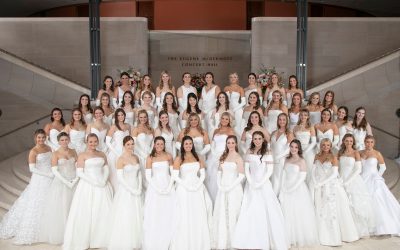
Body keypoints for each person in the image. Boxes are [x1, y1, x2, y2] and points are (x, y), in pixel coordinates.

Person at [233, 131, 287, 250]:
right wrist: (251, 182)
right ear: (252, 140)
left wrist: (260, 183)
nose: (257, 141)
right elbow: (247, 169)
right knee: (250, 207)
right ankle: (250, 239)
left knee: (266, 208)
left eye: (259, 139)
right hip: (251, 184)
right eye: (255, 139)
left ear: (263, 140)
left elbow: (270, 170)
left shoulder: (268, 152)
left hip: (263, 183)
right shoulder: (249, 151)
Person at [0, 129, 53, 245]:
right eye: (39, 138)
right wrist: (47, 174)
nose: (41, 140)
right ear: (35, 138)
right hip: (40, 178)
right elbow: (32, 169)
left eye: (43, 137)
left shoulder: (49, 148)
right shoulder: (33, 151)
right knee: (35, 203)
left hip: (51, 176)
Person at [63, 133, 113, 250]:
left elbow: (106, 168)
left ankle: (101, 237)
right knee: (87, 211)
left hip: (102, 184)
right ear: (87, 142)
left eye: (95, 141)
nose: (93, 144)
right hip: (88, 185)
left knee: (102, 209)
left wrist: (103, 180)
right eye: (91, 142)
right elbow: (80, 173)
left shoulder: (102, 154)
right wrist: (94, 182)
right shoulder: (82, 155)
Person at [310, 138, 359, 246]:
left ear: (330, 146)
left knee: (330, 210)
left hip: (330, 186)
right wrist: (315, 182)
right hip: (318, 185)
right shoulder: (317, 156)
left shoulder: (334, 157)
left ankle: (332, 236)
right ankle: (319, 234)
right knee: (319, 208)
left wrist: (322, 183)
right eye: (323, 145)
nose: (325, 147)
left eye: (328, 145)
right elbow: (313, 170)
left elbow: (333, 174)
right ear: (321, 146)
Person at [170, 136, 212, 250]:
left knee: (198, 212)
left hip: (197, 187)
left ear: (192, 145)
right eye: (186, 144)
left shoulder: (198, 157)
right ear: (183, 146)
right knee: (184, 213)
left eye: (190, 144)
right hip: (184, 188)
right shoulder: (179, 159)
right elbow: (175, 176)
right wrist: (186, 185)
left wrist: (198, 185)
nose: (188, 146)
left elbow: (203, 174)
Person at [39, 132, 78, 245]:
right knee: (62, 207)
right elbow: (54, 170)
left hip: (73, 180)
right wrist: (65, 181)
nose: (64, 142)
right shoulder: (55, 153)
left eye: (66, 139)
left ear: (69, 140)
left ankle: (74, 232)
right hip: (61, 182)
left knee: (73, 206)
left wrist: (75, 179)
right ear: (58, 142)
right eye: (62, 140)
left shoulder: (73, 151)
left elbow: (76, 165)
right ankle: (64, 233)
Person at [279, 139, 319, 247]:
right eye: (291, 146)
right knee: (286, 212)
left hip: (297, 189)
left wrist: (291, 189)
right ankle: (288, 236)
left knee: (297, 213)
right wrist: (283, 189)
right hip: (286, 187)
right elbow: (283, 175)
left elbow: (302, 178)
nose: (293, 149)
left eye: (296, 147)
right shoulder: (286, 160)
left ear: (299, 149)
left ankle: (296, 237)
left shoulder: (301, 161)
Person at [108, 136, 143, 250]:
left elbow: (139, 174)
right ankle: (127, 240)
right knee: (127, 213)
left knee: (138, 212)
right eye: (128, 144)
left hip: (136, 188)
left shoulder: (136, 157)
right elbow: (120, 179)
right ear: (124, 145)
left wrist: (139, 187)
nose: (131, 146)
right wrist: (131, 189)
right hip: (126, 189)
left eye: (132, 144)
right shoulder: (120, 159)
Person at [361, 135, 400, 236]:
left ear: (374, 143)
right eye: (367, 142)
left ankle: (381, 226)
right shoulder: (360, 152)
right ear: (364, 142)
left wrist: (377, 176)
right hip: (362, 178)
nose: (369, 144)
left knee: (378, 200)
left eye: (371, 142)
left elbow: (383, 167)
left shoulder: (377, 153)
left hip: (374, 178)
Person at [338, 134, 375, 237]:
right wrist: (339, 178)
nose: (349, 143)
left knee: (354, 204)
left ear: (353, 142)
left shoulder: (356, 153)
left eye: (350, 141)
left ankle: (357, 230)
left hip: (353, 180)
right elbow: (337, 167)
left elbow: (358, 169)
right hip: (341, 178)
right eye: (347, 141)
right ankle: (345, 229)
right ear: (343, 141)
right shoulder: (340, 152)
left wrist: (348, 181)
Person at [211, 135, 244, 249]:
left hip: (233, 188)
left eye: (232, 143)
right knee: (222, 211)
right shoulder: (223, 156)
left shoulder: (238, 157)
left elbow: (241, 176)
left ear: (236, 144)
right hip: (223, 187)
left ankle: (234, 241)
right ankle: (223, 240)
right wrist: (220, 185)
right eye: (228, 143)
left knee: (233, 211)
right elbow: (219, 172)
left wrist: (230, 187)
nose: (230, 145)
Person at [143, 136, 175, 250]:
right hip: (155, 187)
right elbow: (148, 176)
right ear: (154, 145)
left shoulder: (168, 156)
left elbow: (173, 174)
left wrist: (169, 186)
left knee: (169, 212)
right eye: (158, 144)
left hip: (167, 185)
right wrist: (157, 188)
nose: (160, 146)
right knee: (155, 212)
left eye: (162, 144)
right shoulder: (150, 158)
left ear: (164, 145)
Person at [205, 112, 235, 203]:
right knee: (212, 175)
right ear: (220, 119)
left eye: (227, 119)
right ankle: (213, 199)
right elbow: (213, 144)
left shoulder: (231, 131)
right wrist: (214, 153)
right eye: (223, 118)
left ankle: (222, 199)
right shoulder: (216, 131)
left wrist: (224, 155)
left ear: (229, 120)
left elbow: (232, 145)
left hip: (225, 154)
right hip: (214, 155)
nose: (224, 120)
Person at [105, 108, 131, 192]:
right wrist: (117, 153)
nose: (120, 117)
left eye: (122, 115)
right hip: (116, 151)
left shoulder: (128, 126)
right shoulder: (114, 127)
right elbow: (108, 142)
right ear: (116, 117)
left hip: (126, 151)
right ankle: (116, 191)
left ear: (124, 115)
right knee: (116, 173)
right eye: (118, 115)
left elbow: (130, 139)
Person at [270, 113, 293, 195]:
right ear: (277, 121)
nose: (282, 121)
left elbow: (289, 149)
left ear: (287, 121)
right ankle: (272, 194)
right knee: (272, 176)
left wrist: (278, 157)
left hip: (281, 159)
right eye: (280, 119)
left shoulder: (289, 133)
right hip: (272, 158)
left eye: (284, 119)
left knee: (278, 177)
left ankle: (276, 196)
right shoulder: (273, 132)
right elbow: (270, 146)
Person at [293, 109, 317, 183]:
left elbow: (314, 142)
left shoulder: (311, 127)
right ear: (299, 116)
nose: (303, 116)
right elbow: (294, 140)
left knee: (308, 170)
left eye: (305, 115)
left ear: (308, 117)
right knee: (297, 170)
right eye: (301, 115)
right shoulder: (295, 127)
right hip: (297, 150)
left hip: (308, 150)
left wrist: (305, 151)